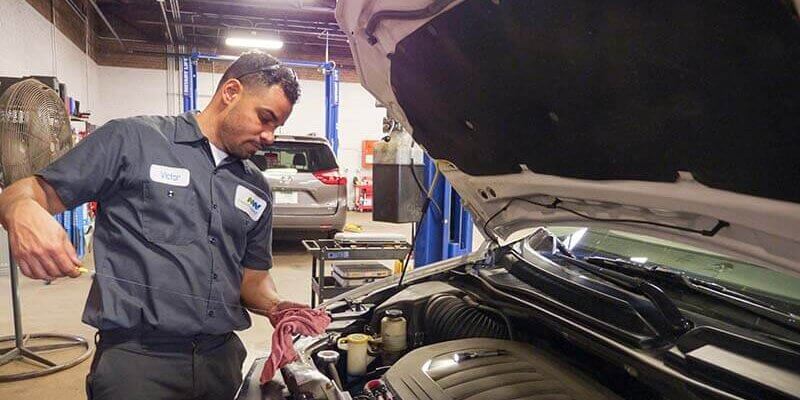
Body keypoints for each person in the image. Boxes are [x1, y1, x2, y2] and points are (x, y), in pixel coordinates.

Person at [0, 51, 307, 399]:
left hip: (221, 363)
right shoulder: (133, 141)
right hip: (139, 365)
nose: (269, 136)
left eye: (277, 126)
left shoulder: (256, 187)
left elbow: (253, 281)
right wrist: (22, 210)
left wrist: (277, 307)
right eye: (265, 118)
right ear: (231, 92)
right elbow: (24, 192)